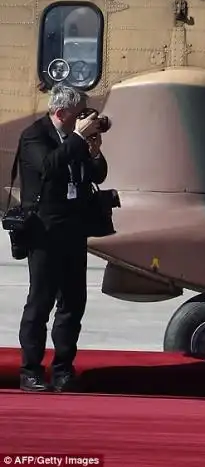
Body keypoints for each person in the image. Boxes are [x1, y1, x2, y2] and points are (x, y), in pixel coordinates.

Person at [17, 84, 108, 392]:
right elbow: (48, 167)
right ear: (61, 113)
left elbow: (96, 175)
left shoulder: (75, 140)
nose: (85, 118)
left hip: (73, 231)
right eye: (79, 113)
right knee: (40, 302)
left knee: (72, 303)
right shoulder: (35, 135)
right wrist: (79, 138)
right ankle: (30, 370)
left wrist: (94, 151)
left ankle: (63, 370)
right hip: (44, 232)